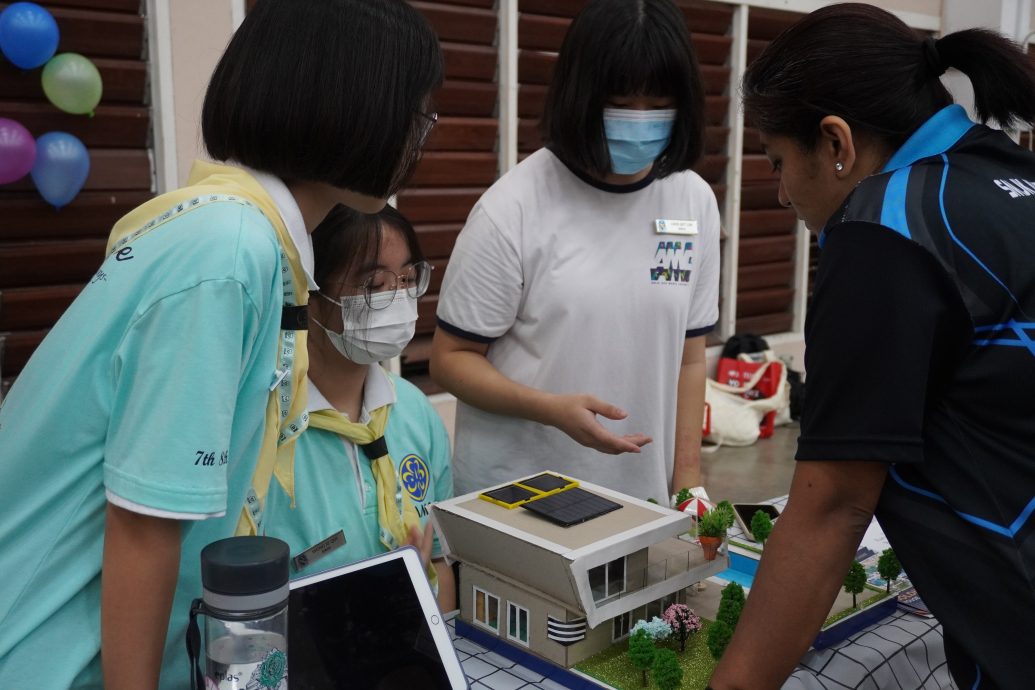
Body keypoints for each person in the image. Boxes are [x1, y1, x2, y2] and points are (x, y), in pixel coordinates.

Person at [0, 1, 442, 688]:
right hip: (45, 655)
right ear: (350, 104)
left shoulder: (245, 237)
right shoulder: (228, 252)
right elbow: (145, 524)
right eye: (414, 110)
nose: (424, 133)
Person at [709, 5, 1035, 689]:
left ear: (835, 144)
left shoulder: (887, 229)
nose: (778, 194)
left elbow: (833, 503)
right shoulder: (1011, 178)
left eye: (776, 161)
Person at [430, 0, 719, 503]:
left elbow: (690, 360)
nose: (641, 120)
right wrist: (551, 409)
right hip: (521, 494)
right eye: (623, 102)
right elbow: (451, 359)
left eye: (658, 104)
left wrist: (688, 482)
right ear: (581, 96)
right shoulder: (513, 206)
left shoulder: (692, 199)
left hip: (640, 496)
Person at [263, 205, 456, 612]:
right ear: (311, 297)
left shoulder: (415, 412)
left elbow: (439, 558)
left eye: (406, 279)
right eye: (374, 284)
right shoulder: (267, 430)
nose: (398, 298)